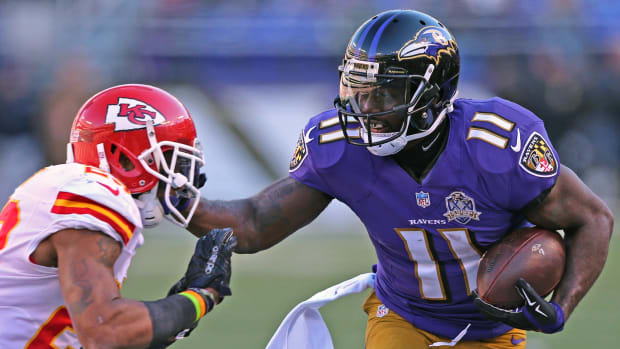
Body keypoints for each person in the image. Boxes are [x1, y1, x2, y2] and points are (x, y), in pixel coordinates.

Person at [186, 9, 614, 348]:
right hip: (403, 317)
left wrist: (561, 309)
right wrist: (183, 203)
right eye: (359, 91)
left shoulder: (496, 146)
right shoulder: (340, 148)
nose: (365, 110)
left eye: (385, 94)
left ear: (432, 95)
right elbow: (258, 221)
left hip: (494, 333)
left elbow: (593, 218)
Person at [0, 84, 236, 348]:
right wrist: (201, 297)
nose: (180, 177)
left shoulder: (66, 187)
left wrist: (180, 308)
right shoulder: (96, 194)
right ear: (126, 160)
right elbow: (106, 332)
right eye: (170, 159)